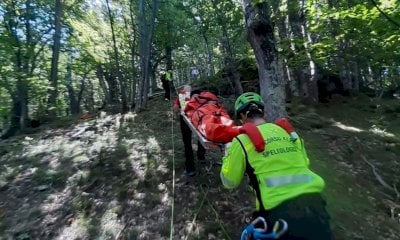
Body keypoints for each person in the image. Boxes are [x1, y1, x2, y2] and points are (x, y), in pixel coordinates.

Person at [220, 92, 332, 240]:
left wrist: (227, 155)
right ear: (262, 112)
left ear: (242, 117)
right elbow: (304, 163)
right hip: (315, 206)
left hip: (278, 215)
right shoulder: (289, 133)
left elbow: (229, 181)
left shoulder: (241, 140)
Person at [173, 85, 206, 177]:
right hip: (200, 116)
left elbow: (175, 108)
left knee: (187, 142)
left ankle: (190, 168)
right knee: (201, 136)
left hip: (186, 118)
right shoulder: (201, 95)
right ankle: (201, 157)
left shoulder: (182, 94)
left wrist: (177, 107)